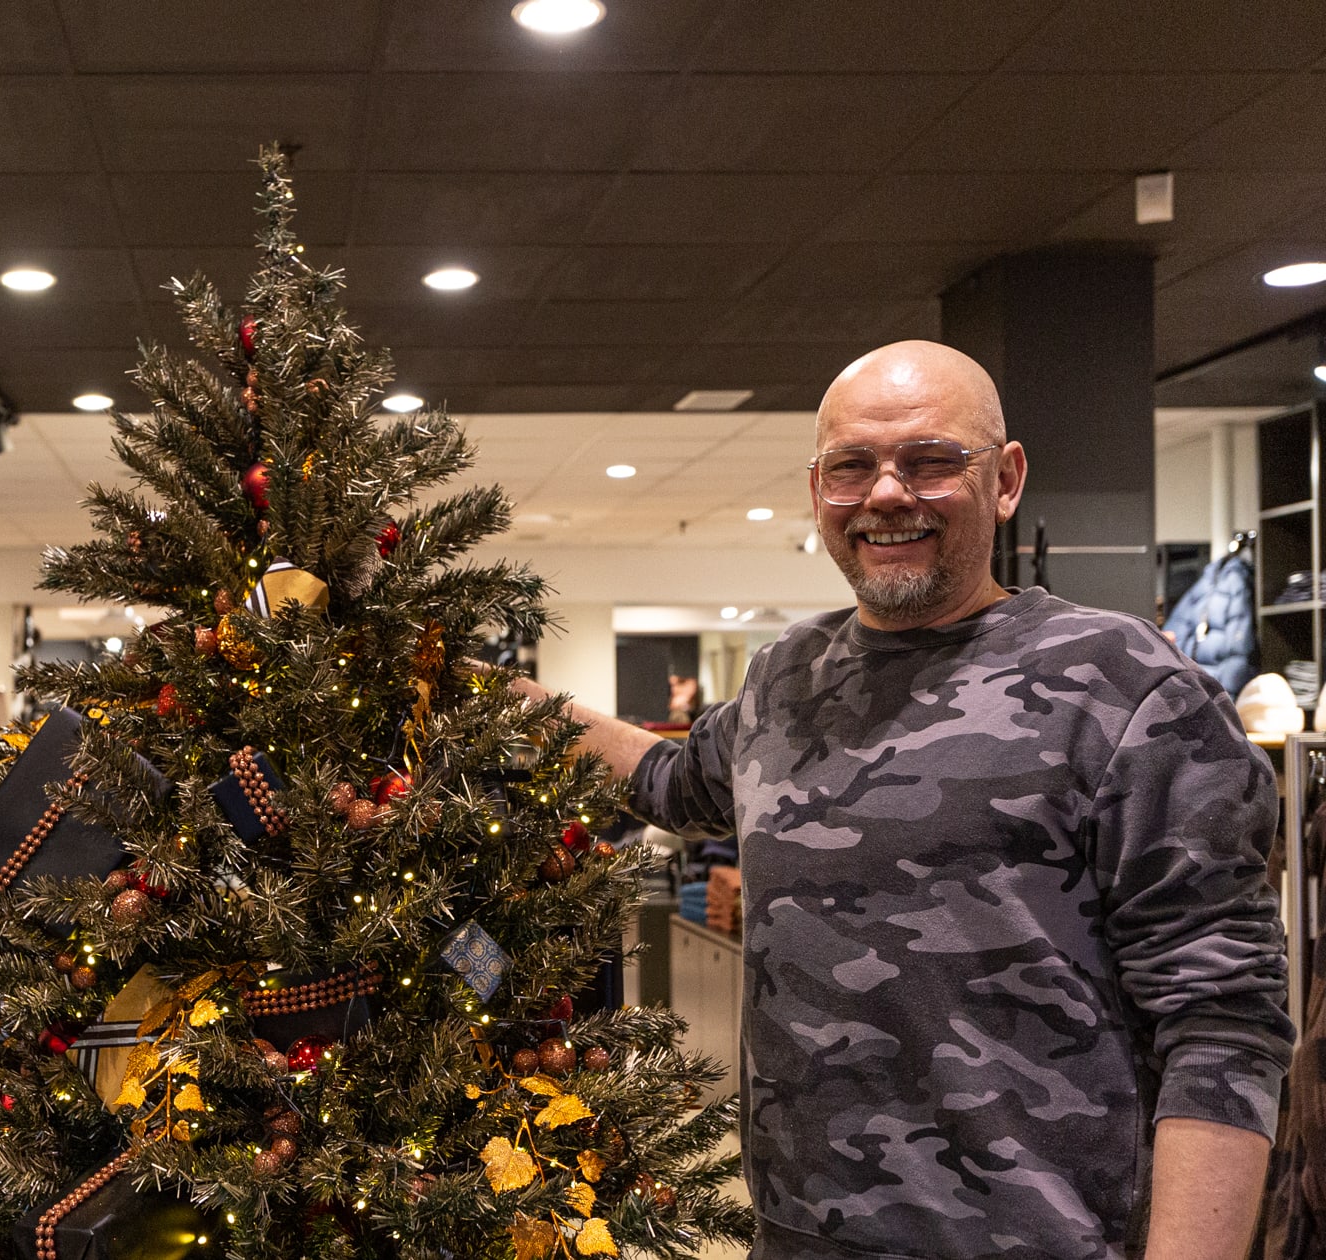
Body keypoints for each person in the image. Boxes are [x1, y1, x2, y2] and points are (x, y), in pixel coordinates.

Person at [510, 341, 1290, 1260]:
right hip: (798, 1240)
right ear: (818, 491)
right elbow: (674, 783)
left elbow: (1222, 1020)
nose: (886, 493)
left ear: (1006, 480)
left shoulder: (1124, 687)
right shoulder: (785, 677)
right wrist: (503, 699)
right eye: (853, 466)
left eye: (929, 461)